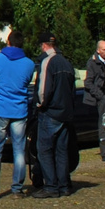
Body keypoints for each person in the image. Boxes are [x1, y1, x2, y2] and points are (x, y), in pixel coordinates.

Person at [0, 30, 35, 199]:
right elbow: (26, 82)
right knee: (19, 150)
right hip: (19, 110)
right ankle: (17, 189)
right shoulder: (29, 63)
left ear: (8, 42)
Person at [34, 34, 76, 198]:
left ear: (44, 46)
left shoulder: (47, 62)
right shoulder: (66, 63)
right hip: (65, 113)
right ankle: (64, 185)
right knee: (61, 151)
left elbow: (44, 89)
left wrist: (40, 104)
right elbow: (72, 90)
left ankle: (51, 186)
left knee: (44, 150)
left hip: (51, 112)